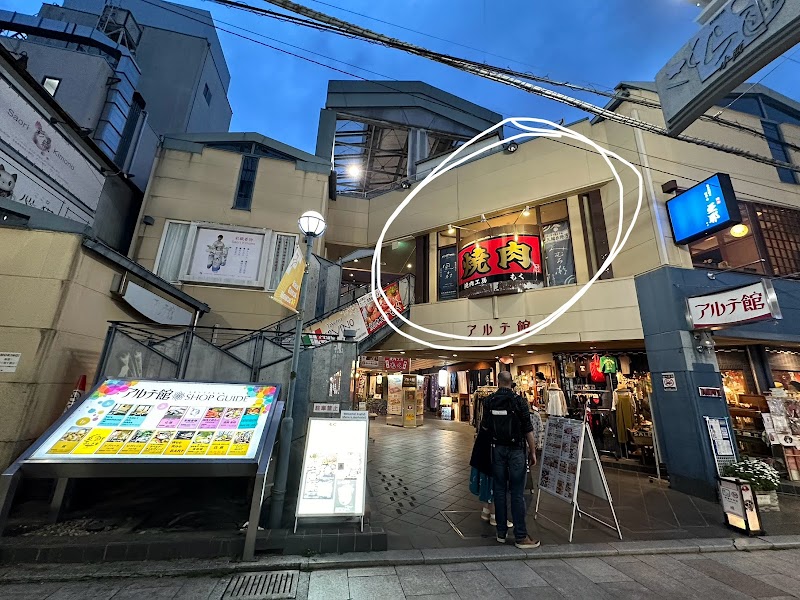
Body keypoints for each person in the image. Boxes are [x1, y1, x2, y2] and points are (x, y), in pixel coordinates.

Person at [481, 370, 540, 549]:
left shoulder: (488, 401)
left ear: (497, 382)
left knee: (499, 490)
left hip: (497, 450)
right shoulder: (519, 401)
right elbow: (527, 428)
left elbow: (485, 426)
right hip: (516, 451)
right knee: (516, 492)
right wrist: (532, 451)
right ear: (511, 382)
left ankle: (501, 532)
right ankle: (521, 536)